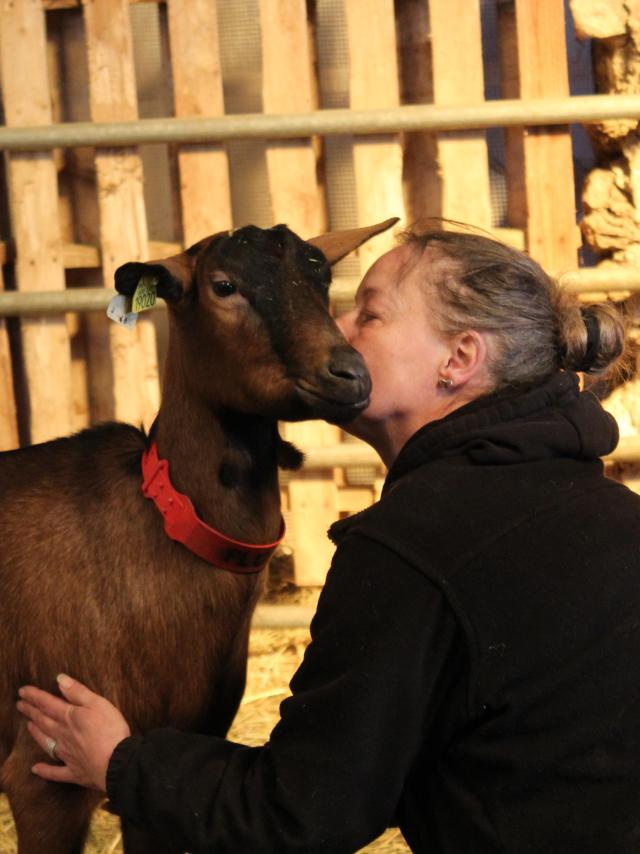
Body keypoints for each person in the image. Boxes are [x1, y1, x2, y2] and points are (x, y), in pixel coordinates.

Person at [16, 226, 640, 853]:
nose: (336, 329)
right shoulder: (604, 509)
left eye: (369, 313)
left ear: (459, 359)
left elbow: (297, 814)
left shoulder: (418, 546)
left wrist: (118, 762)